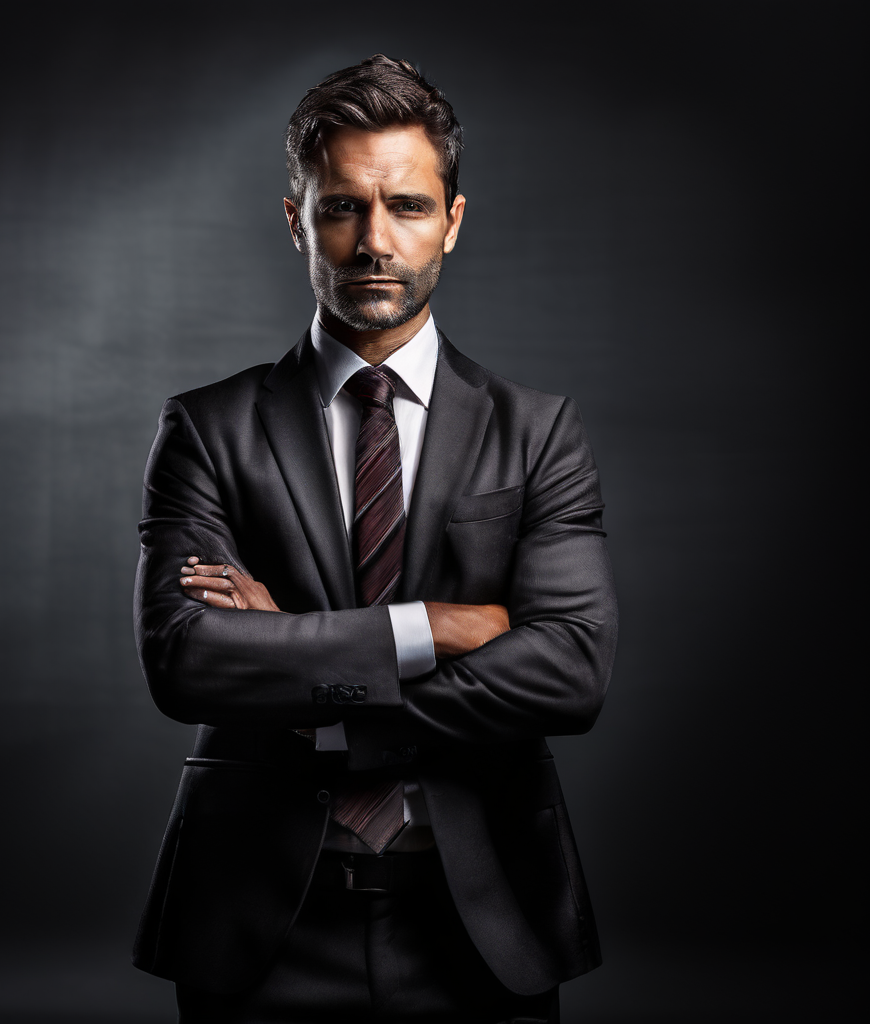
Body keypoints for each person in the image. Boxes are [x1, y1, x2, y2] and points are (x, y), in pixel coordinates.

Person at [132, 54, 617, 1024]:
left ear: (454, 218)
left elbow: (570, 670)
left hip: (485, 922)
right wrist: (432, 625)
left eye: (406, 204)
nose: (374, 242)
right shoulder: (208, 427)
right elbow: (186, 661)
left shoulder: (537, 431)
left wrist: (305, 664)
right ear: (294, 219)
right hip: (255, 921)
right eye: (342, 208)